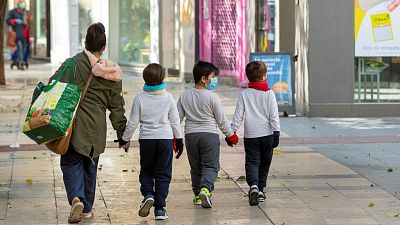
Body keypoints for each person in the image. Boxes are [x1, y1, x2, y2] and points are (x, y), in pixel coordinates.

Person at [49, 23, 127, 223]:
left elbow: (53, 85)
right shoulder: (112, 72)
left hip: (74, 126)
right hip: (96, 129)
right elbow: (117, 106)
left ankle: (76, 198)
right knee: (90, 167)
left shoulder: (73, 63)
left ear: (86, 42)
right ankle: (86, 209)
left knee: (70, 163)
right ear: (103, 46)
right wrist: (122, 134)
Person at [119, 63, 183, 220]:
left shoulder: (140, 98)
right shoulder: (168, 97)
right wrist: (180, 141)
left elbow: (133, 122)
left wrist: (125, 139)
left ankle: (148, 194)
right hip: (165, 140)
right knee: (163, 174)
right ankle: (160, 209)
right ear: (162, 78)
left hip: (147, 140)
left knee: (146, 170)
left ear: (144, 79)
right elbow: (175, 121)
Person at [177, 61, 239, 208]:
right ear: (204, 79)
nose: (215, 79)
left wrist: (174, 136)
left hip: (191, 136)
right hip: (209, 136)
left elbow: (177, 119)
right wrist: (231, 136)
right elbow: (222, 121)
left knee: (196, 167)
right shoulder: (212, 97)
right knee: (211, 166)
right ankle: (206, 189)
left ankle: (198, 195)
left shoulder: (184, 95)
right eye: (213, 76)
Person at [230, 61, 280, 206]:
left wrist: (231, 132)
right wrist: (276, 132)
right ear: (264, 76)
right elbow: (273, 115)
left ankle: (253, 186)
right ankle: (261, 190)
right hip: (268, 135)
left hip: (251, 136)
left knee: (252, 162)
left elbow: (238, 116)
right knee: (265, 163)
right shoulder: (269, 93)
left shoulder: (244, 94)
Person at [6, 0, 29, 70]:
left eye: (23, 3)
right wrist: (14, 21)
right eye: (21, 3)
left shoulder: (25, 12)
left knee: (24, 49)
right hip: (16, 34)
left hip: (24, 34)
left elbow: (27, 23)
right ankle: (21, 62)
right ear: (18, 4)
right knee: (20, 48)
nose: (22, 4)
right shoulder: (12, 12)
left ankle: (20, 60)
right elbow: (7, 20)